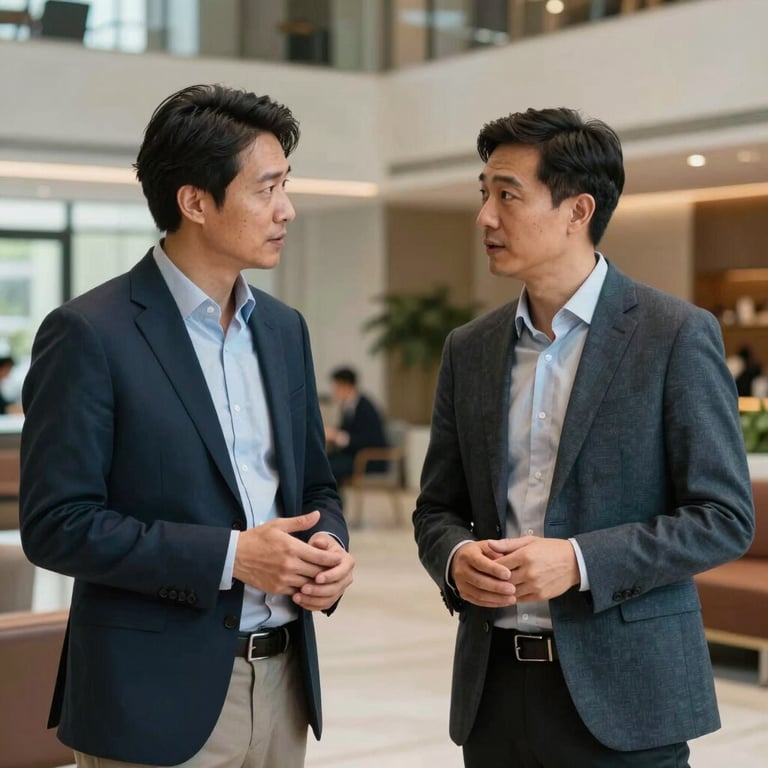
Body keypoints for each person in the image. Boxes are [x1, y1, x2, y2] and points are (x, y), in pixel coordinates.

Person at [19, 84, 354, 768]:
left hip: (285, 681)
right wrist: (233, 557)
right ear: (196, 202)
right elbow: (58, 525)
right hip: (152, 697)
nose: (286, 209)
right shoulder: (89, 334)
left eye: (285, 185)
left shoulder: (283, 331)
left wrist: (329, 550)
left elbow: (316, 486)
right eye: (266, 189)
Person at [412, 107, 755, 767]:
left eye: (507, 195)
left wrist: (579, 561)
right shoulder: (471, 349)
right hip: (494, 697)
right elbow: (436, 508)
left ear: (578, 210)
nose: (485, 216)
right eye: (484, 193)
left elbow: (722, 518)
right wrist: (455, 559)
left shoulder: (674, 335)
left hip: (628, 701)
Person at [324, 366, 388, 485]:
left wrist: (338, 436)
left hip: (369, 460)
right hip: (354, 456)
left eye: (336, 387)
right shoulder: (349, 406)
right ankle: (335, 501)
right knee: (321, 461)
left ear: (346, 386)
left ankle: (334, 501)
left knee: (327, 468)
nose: (334, 392)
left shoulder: (365, 408)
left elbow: (368, 441)